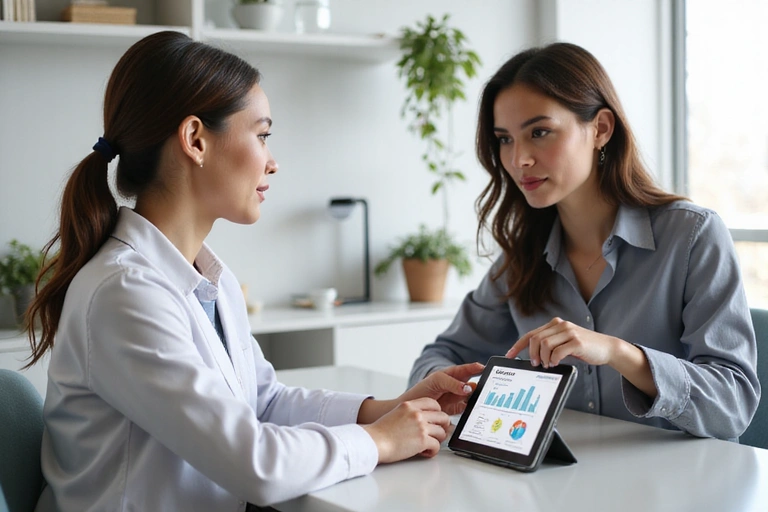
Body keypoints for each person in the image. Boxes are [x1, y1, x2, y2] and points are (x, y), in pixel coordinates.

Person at [25, 31, 484, 511]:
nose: (273, 162)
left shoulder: (208, 279)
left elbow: (262, 402)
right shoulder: (125, 293)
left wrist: (388, 411)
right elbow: (255, 464)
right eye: (262, 135)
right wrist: (380, 442)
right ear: (196, 140)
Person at [409, 42, 761, 441]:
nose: (519, 158)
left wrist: (617, 353)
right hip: (567, 484)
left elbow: (733, 405)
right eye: (505, 139)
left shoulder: (692, 237)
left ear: (601, 129)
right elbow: (439, 358)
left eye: (539, 132)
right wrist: (463, 392)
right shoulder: (522, 256)